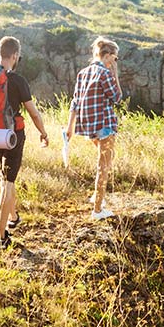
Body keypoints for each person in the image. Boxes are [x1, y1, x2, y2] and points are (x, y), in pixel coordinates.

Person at [0, 36, 49, 249]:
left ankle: (13, 216)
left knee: (7, 175)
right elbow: (33, 113)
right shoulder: (17, 81)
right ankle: (0, 236)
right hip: (12, 136)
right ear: (15, 55)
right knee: (6, 183)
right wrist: (43, 132)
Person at [66, 37, 122, 220]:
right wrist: (115, 74)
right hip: (104, 124)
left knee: (106, 159)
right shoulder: (105, 73)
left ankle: (98, 196)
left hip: (89, 126)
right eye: (115, 58)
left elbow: (75, 102)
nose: (115, 62)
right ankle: (97, 210)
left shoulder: (83, 73)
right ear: (107, 56)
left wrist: (70, 126)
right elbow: (117, 97)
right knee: (103, 166)